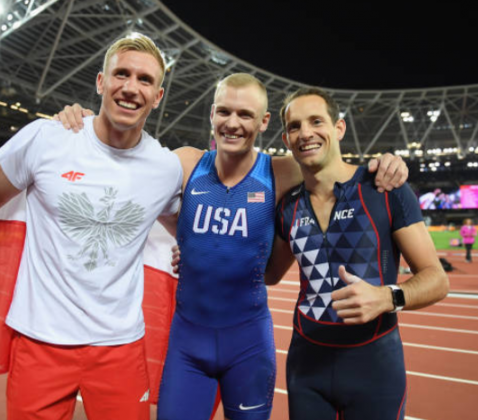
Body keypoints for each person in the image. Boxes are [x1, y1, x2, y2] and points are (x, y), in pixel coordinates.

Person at [56, 74, 409, 420]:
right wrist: (93, 126)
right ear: (211, 114)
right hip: (187, 346)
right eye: (224, 112)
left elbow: (333, 164)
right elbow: (128, 162)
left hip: (249, 346)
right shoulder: (186, 163)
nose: (232, 123)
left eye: (245, 115)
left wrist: (385, 164)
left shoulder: (282, 171)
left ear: (265, 122)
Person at [0, 33, 183, 420]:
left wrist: (193, 252)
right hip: (40, 339)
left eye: (145, 80)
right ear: (100, 82)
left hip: (120, 346)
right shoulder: (50, 138)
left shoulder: (165, 169)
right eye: (121, 74)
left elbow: (186, 227)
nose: (130, 88)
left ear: (158, 96)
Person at [266, 87, 450, 420]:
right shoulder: (287, 207)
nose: (305, 132)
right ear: (286, 138)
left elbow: (436, 279)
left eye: (316, 121)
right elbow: (268, 273)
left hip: (374, 366)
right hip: (306, 366)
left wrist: (387, 297)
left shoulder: (383, 187)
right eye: (295, 126)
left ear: (338, 128)